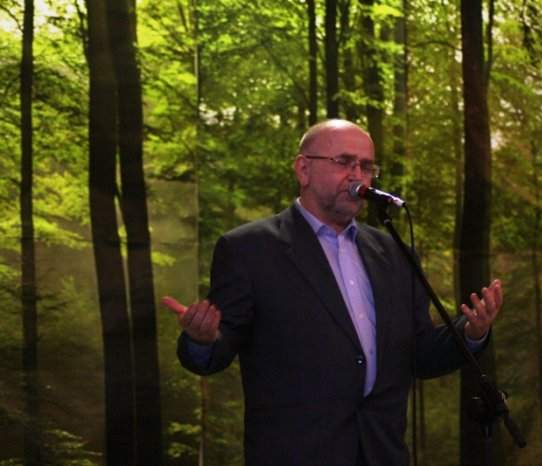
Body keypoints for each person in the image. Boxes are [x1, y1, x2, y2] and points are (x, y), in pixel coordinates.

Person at [163, 119, 503, 466]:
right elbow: (215, 354)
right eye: (344, 162)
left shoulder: (395, 253)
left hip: (381, 454)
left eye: (366, 166)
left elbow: (419, 355)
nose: (358, 176)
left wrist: (471, 332)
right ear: (303, 170)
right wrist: (203, 340)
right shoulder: (250, 250)